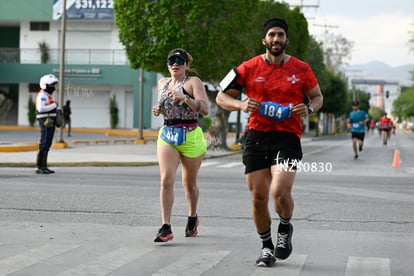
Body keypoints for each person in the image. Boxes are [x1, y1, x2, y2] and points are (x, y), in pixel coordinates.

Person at [216, 18, 323, 267]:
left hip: (287, 137)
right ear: (264, 39)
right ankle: (266, 247)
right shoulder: (247, 68)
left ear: (287, 40)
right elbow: (221, 96)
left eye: (281, 35)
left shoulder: (302, 68)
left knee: (279, 191)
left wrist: (309, 108)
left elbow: (317, 97)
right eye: (272, 35)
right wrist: (241, 104)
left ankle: (284, 228)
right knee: (258, 198)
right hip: (256, 136)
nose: (276, 39)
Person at [152, 48, 209, 242]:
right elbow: (163, 107)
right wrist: (158, 109)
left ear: (187, 65)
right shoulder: (162, 83)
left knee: (189, 183)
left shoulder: (194, 82)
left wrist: (186, 98)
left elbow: (206, 109)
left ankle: (192, 217)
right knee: (166, 179)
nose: (175, 64)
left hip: (190, 135)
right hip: (167, 133)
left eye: (180, 60)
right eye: (171, 61)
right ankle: (165, 226)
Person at [35, 74, 59, 174]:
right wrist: (54, 105)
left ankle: (44, 166)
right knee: (44, 143)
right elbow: (41, 108)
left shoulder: (47, 95)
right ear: (45, 85)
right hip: (45, 121)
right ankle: (39, 167)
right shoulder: (42, 95)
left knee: (48, 143)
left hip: (50, 121)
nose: (53, 87)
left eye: (54, 85)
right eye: (51, 85)